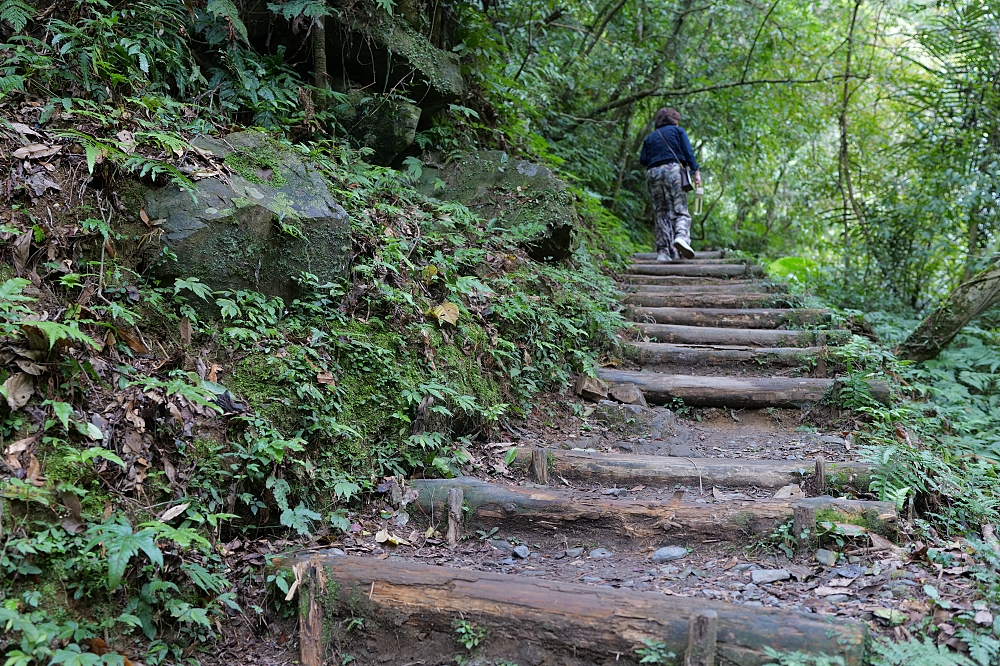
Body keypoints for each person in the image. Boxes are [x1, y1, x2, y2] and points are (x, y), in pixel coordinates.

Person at [639, 108, 702, 262]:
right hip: (673, 170)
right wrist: (696, 171)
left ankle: (663, 252)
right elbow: (688, 152)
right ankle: (681, 237)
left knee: (661, 212)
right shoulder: (677, 131)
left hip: (653, 173)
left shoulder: (650, 137)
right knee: (680, 210)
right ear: (673, 120)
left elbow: (643, 160)